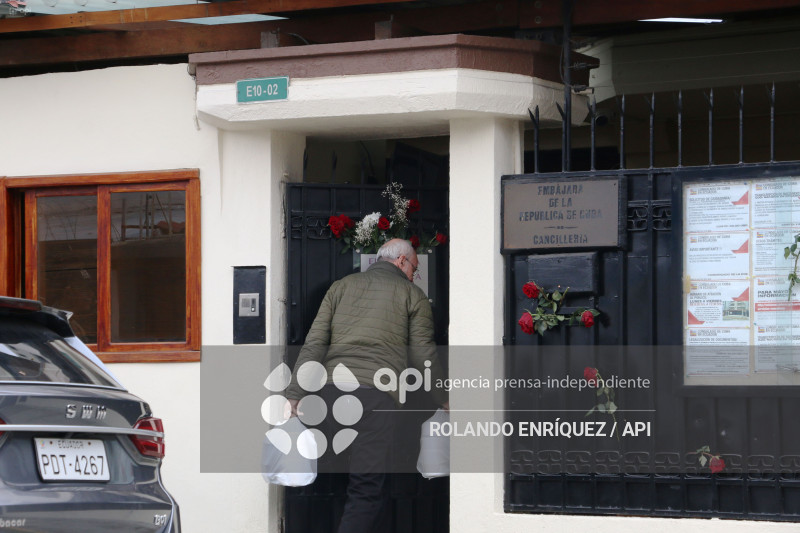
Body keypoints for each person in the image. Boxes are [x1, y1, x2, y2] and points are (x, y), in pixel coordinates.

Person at [285, 238, 448, 533]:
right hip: (373, 399)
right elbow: (424, 354)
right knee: (367, 489)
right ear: (401, 261)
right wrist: (443, 397)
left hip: (331, 395)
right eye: (415, 268)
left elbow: (314, 343)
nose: (415, 275)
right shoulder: (412, 295)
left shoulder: (341, 286)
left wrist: (295, 394)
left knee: (343, 480)